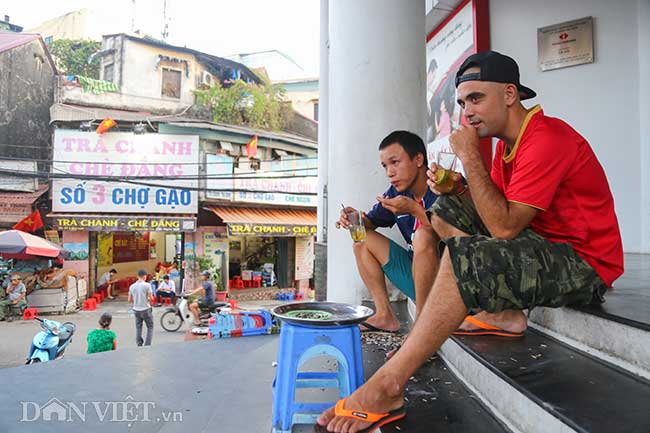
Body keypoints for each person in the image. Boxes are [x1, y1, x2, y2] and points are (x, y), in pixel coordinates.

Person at [315, 51, 623, 433]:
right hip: (541, 250)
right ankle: (501, 313)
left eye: (476, 99)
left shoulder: (546, 138)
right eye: (462, 102)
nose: (466, 112)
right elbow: (492, 209)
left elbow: (505, 229)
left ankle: (389, 384)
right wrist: (458, 186)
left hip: (584, 264)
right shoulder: (507, 147)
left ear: (510, 94)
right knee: (444, 210)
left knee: (467, 256)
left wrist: (470, 158)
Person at [335, 130, 438, 332]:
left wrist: (415, 210)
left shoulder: (440, 186)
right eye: (385, 166)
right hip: (418, 277)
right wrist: (355, 218)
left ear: (418, 159)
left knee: (424, 237)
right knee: (362, 241)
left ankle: (423, 328)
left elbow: (455, 237)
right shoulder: (396, 192)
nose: (389, 172)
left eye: (395, 162)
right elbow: (371, 223)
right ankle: (384, 315)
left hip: (448, 282)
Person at [128, 269, 154, 346]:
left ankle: (139, 343)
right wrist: (149, 298)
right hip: (146, 308)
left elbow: (129, 300)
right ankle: (147, 344)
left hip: (136, 309)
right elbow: (151, 298)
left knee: (138, 327)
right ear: (144, 277)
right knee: (150, 327)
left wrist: (136, 299)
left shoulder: (132, 286)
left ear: (137, 276)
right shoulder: (147, 285)